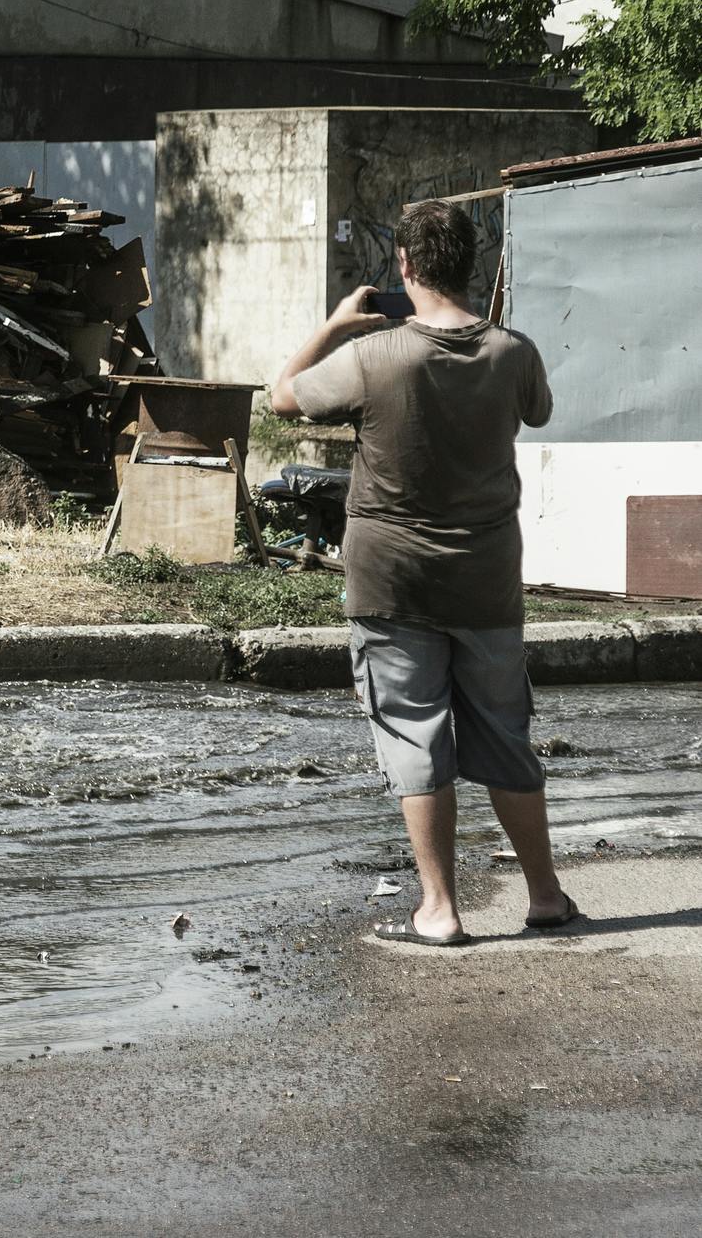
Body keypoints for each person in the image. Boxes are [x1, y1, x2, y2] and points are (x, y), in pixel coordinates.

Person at [267, 198, 579, 947]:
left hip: (392, 582)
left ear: (404, 267)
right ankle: (545, 894)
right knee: (506, 733)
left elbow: (282, 396)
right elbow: (538, 408)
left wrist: (340, 323)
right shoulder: (514, 352)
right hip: (487, 581)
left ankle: (439, 909)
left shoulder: (373, 358)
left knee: (415, 732)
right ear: (470, 263)